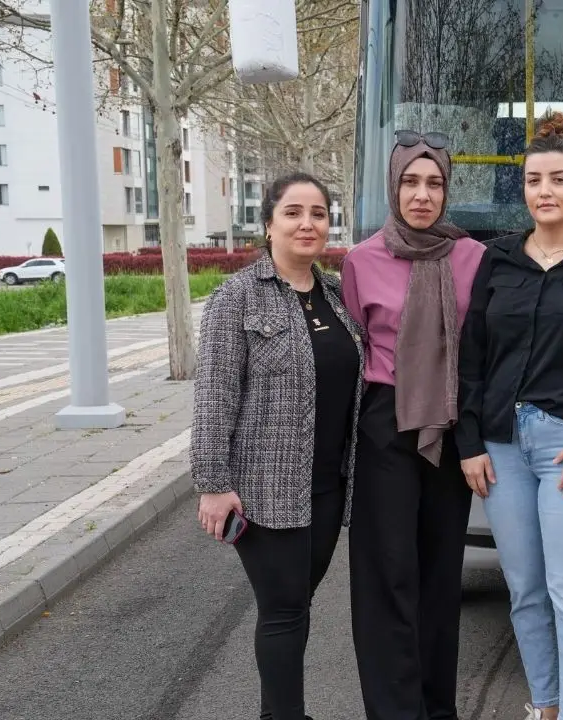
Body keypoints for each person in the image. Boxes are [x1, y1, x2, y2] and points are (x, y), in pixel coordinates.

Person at [457, 110, 563, 720]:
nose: (545, 191)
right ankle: (546, 707)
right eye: (534, 180)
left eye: (558, 180)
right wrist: (469, 442)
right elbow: (472, 357)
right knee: (526, 591)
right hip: (502, 446)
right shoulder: (496, 259)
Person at [192, 172, 365, 720]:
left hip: (328, 487)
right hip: (265, 491)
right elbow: (214, 396)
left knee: (296, 606)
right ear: (268, 224)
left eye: (318, 214)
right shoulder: (236, 298)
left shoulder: (337, 296)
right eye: (293, 213)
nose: (307, 224)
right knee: (285, 610)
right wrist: (213, 485)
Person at [341, 130, 487, 720]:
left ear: (447, 191)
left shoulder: (474, 257)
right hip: (386, 423)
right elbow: (356, 342)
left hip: (450, 424)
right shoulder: (361, 260)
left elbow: (480, 345)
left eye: (434, 183)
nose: (422, 195)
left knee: (440, 575)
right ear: (393, 187)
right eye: (410, 182)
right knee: (388, 575)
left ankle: (436, 708)